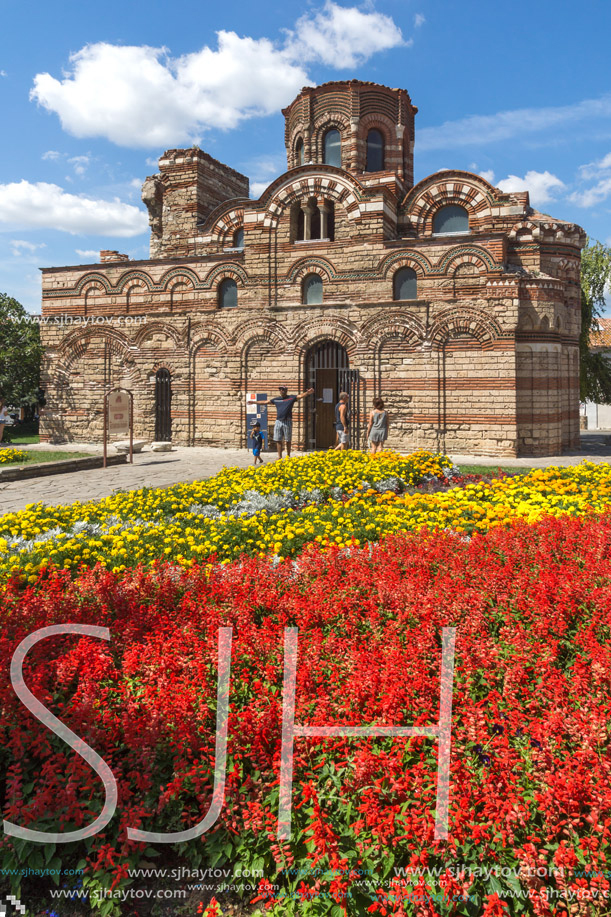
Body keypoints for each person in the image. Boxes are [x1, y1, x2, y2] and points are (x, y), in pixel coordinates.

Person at [264, 385, 314, 459]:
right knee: (278, 439)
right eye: (280, 389)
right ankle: (279, 456)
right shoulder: (277, 400)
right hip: (278, 421)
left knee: (288, 440)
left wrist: (307, 393)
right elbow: (266, 402)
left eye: (283, 389)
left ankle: (288, 455)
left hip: (287, 421)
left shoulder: (291, 398)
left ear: (286, 390)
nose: (281, 391)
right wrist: (254, 402)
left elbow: (300, 396)